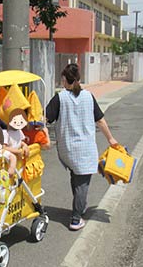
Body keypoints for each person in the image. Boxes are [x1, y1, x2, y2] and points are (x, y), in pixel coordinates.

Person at [45, 63, 119, 231]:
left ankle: (80, 206)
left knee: (76, 177)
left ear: (64, 80)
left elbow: (46, 118)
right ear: (78, 79)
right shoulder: (88, 96)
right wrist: (111, 139)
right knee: (82, 184)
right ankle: (76, 218)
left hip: (67, 149)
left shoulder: (60, 98)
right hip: (85, 149)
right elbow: (100, 120)